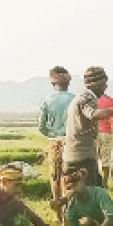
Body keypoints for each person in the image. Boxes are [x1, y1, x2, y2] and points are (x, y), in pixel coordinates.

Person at [62, 66, 113, 187]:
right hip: (81, 156)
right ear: (95, 84)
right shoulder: (86, 98)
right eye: (104, 84)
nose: (105, 87)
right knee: (89, 195)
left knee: (82, 193)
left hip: (77, 154)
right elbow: (93, 114)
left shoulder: (82, 97)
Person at [39, 66, 74, 205]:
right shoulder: (74, 99)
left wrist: (51, 134)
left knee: (54, 177)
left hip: (54, 141)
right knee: (68, 177)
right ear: (68, 83)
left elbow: (41, 126)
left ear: (53, 84)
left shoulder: (47, 100)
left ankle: (57, 210)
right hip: (70, 142)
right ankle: (67, 209)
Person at [96, 92, 113, 186]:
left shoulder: (89, 99)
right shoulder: (109, 100)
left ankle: (94, 182)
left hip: (92, 133)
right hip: (106, 133)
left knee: (92, 159)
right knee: (105, 159)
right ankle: (104, 183)